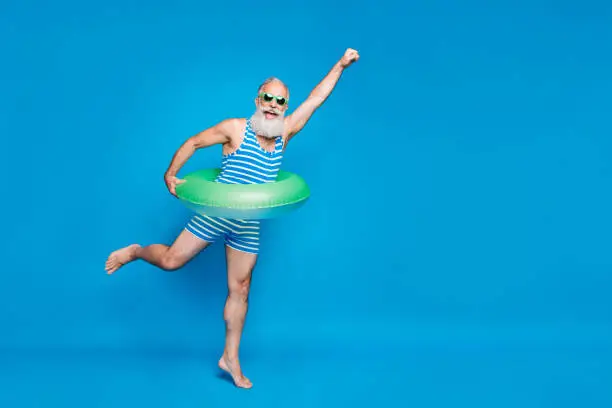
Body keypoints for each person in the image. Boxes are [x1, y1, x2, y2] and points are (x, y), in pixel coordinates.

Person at [105, 48, 360, 388]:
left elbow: (316, 98)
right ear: (258, 99)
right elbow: (194, 142)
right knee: (170, 261)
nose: (272, 104)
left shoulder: (286, 132)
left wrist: (340, 65)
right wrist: (170, 173)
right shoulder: (235, 129)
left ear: (284, 107)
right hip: (215, 212)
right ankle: (136, 251)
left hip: (247, 221)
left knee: (240, 289)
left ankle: (230, 358)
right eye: (267, 97)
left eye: (280, 101)